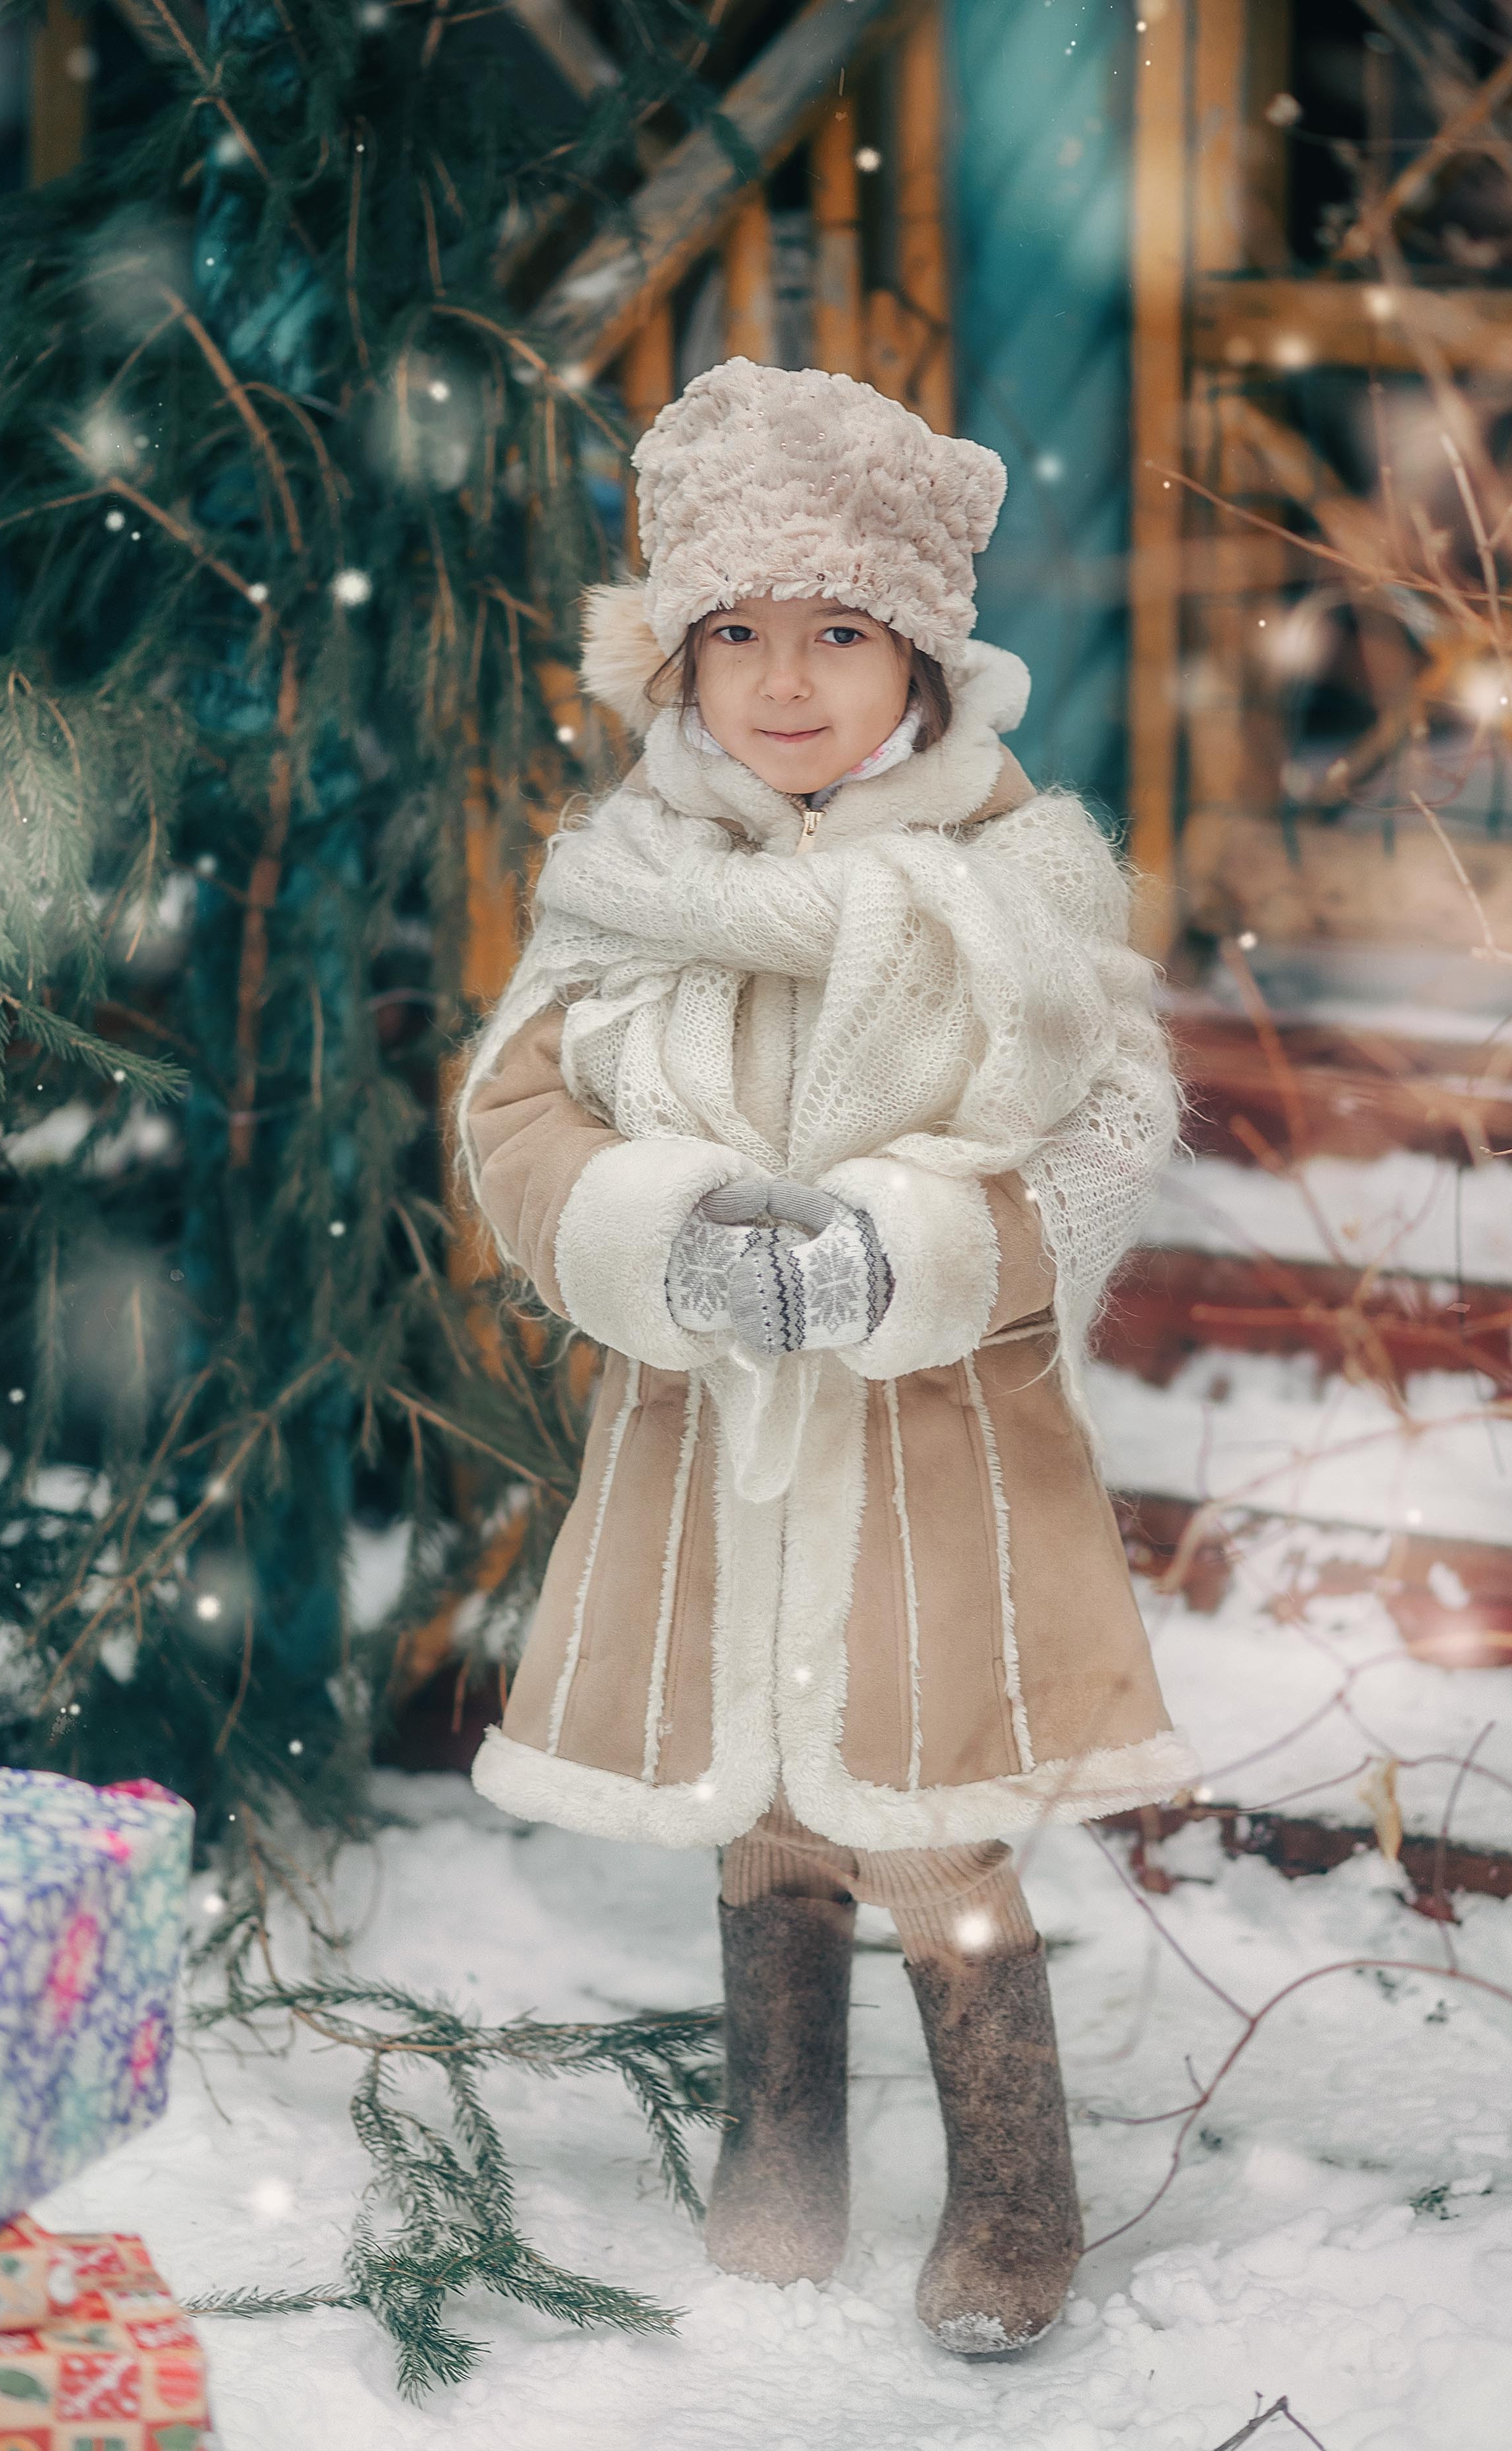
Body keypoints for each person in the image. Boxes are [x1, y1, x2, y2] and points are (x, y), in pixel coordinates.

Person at [457, 359, 1195, 2357]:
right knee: (764, 1787)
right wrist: (661, 1228)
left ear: (922, 661)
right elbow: (513, 1114)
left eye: (840, 634)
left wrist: (909, 1250)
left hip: (931, 1433)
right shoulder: (628, 874)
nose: (784, 681)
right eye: (736, 634)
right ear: (676, 657)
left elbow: (1108, 1128)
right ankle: (778, 2134)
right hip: (711, 1426)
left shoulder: (1017, 877)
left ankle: (1015, 2184)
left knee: (926, 1794)